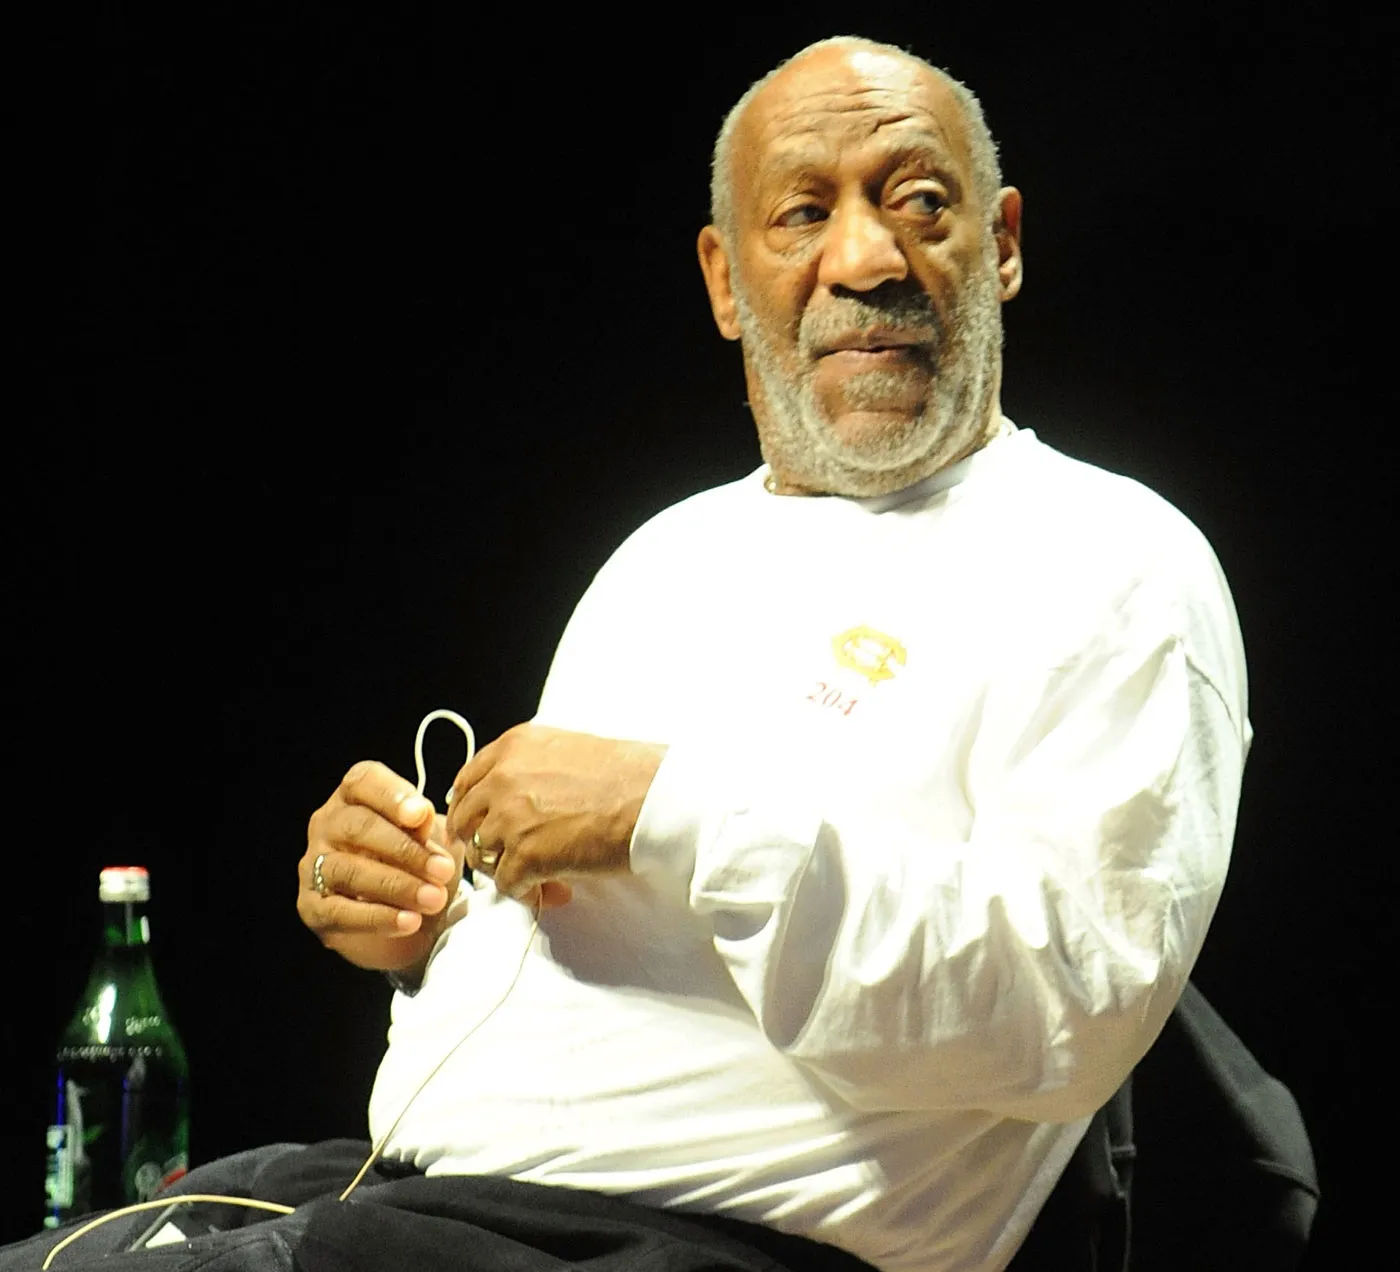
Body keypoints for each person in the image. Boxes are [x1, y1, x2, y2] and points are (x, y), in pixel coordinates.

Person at [14, 34, 1249, 1272]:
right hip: (417, 1200)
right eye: (802, 213)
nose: (866, 258)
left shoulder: (1110, 560)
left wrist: (666, 813)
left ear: (1004, 243)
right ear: (725, 282)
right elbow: (595, 944)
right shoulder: (661, 555)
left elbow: (1067, 1006)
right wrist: (420, 927)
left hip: (687, 1244)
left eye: (918, 202)